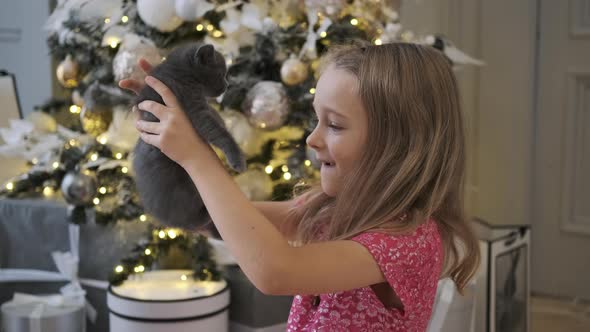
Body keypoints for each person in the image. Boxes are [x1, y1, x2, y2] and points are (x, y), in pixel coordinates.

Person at [120, 42, 480, 331]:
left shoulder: (406, 240)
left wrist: (198, 156)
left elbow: (275, 270)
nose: (312, 138)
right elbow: (215, 220)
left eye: (335, 125)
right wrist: (165, 109)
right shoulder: (332, 209)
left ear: (398, 145)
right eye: (316, 120)